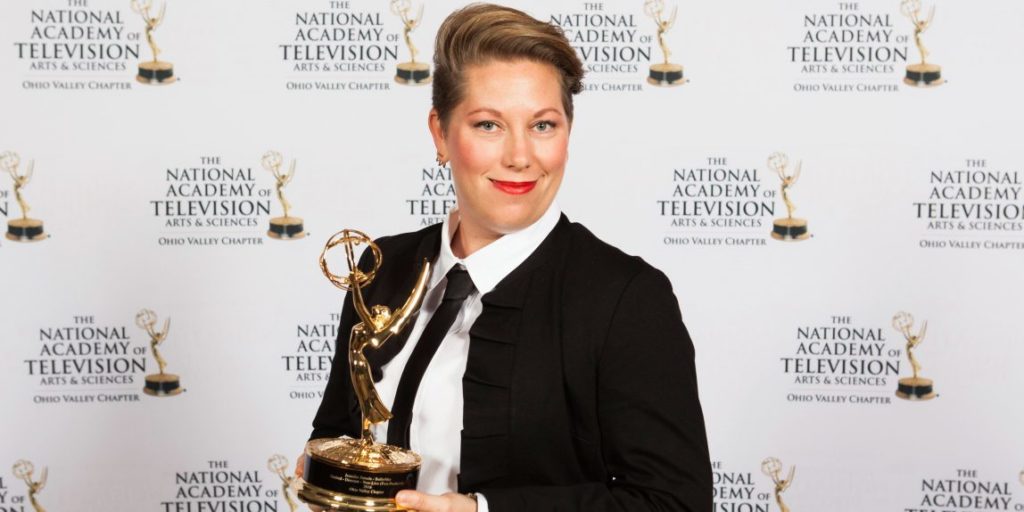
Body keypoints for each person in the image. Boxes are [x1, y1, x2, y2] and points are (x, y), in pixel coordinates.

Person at [301, 4, 712, 511]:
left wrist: (481, 511)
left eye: (542, 125)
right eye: (489, 125)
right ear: (440, 133)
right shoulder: (383, 264)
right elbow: (340, 429)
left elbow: (675, 503)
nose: (520, 156)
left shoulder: (623, 297)